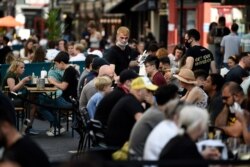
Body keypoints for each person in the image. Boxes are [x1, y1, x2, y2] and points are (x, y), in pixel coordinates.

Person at [129, 84, 178, 160]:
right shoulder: (158, 115)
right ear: (170, 100)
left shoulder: (156, 110)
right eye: (176, 98)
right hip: (140, 160)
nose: (179, 101)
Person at [105, 76, 158, 148]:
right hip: (119, 147)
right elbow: (145, 124)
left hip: (121, 143)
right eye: (149, 91)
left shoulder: (131, 99)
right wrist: (153, 105)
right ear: (139, 91)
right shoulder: (131, 102)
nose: (151, 94)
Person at [41, 51, 79, 136]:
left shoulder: (68, 71)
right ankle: (56, 126)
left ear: (61, 63)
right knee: (45, 101)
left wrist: (52, 81)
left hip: (68, 101)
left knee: (41, 105)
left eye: (56, 64)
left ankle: (57, 127)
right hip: (70, 99)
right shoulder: (72, 69)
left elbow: (63, 87)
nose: (56, 67)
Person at [1, 60, 39, 134]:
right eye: (21, 67)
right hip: (8, 100)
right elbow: (12, 89)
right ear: (15, 68)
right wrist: (23, 81)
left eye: (23, 67)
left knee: (33, 104)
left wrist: (24, 82)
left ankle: (26, 128)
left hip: (14, 98)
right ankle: (26, 128)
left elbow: (18, 89)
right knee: (32, 105)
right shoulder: (10, 76)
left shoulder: (16, 76)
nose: (23, 69)